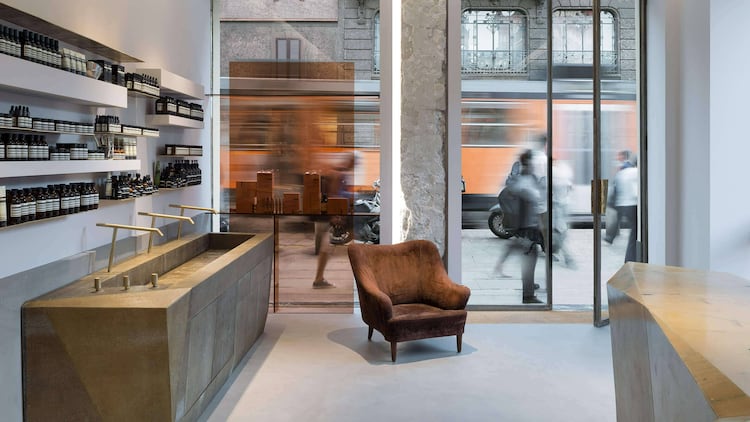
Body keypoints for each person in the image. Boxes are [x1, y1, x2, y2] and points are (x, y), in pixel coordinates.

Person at [495, 150, 545, 304]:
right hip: (526, 227)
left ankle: (527, 284)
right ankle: (528, 295)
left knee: (527, 254)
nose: (535, 165)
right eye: (532, 162)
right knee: (529, 258)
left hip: (530, 225)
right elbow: (527, 201)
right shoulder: (522, 182)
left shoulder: (528, 178)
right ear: (527, 163)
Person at [312, 152, 356, 289]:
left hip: (330, 215)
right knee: (326, 247)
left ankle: (319, 278)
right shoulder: (339, 174)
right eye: (354, 162)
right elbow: (333, 195)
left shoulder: (341, 173)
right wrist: (334, 215)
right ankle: (318, 279)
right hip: (328, 215)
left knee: (326, 247)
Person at [605, 150, 638, 262]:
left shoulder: (621, 173)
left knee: (634, 232)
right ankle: (630, 258)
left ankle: (611, 238)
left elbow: (616, 190)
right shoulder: (636, 173)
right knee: (635, 233)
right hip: (633, 205)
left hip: (622, 205)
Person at [551, 158, 577, 268]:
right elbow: (571, 188)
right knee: (560, 232)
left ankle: (569, 258)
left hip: (557, 207)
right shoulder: (563, 174)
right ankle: (554, 251)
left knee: (560, 232)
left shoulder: (553, 173)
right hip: (565, 205)